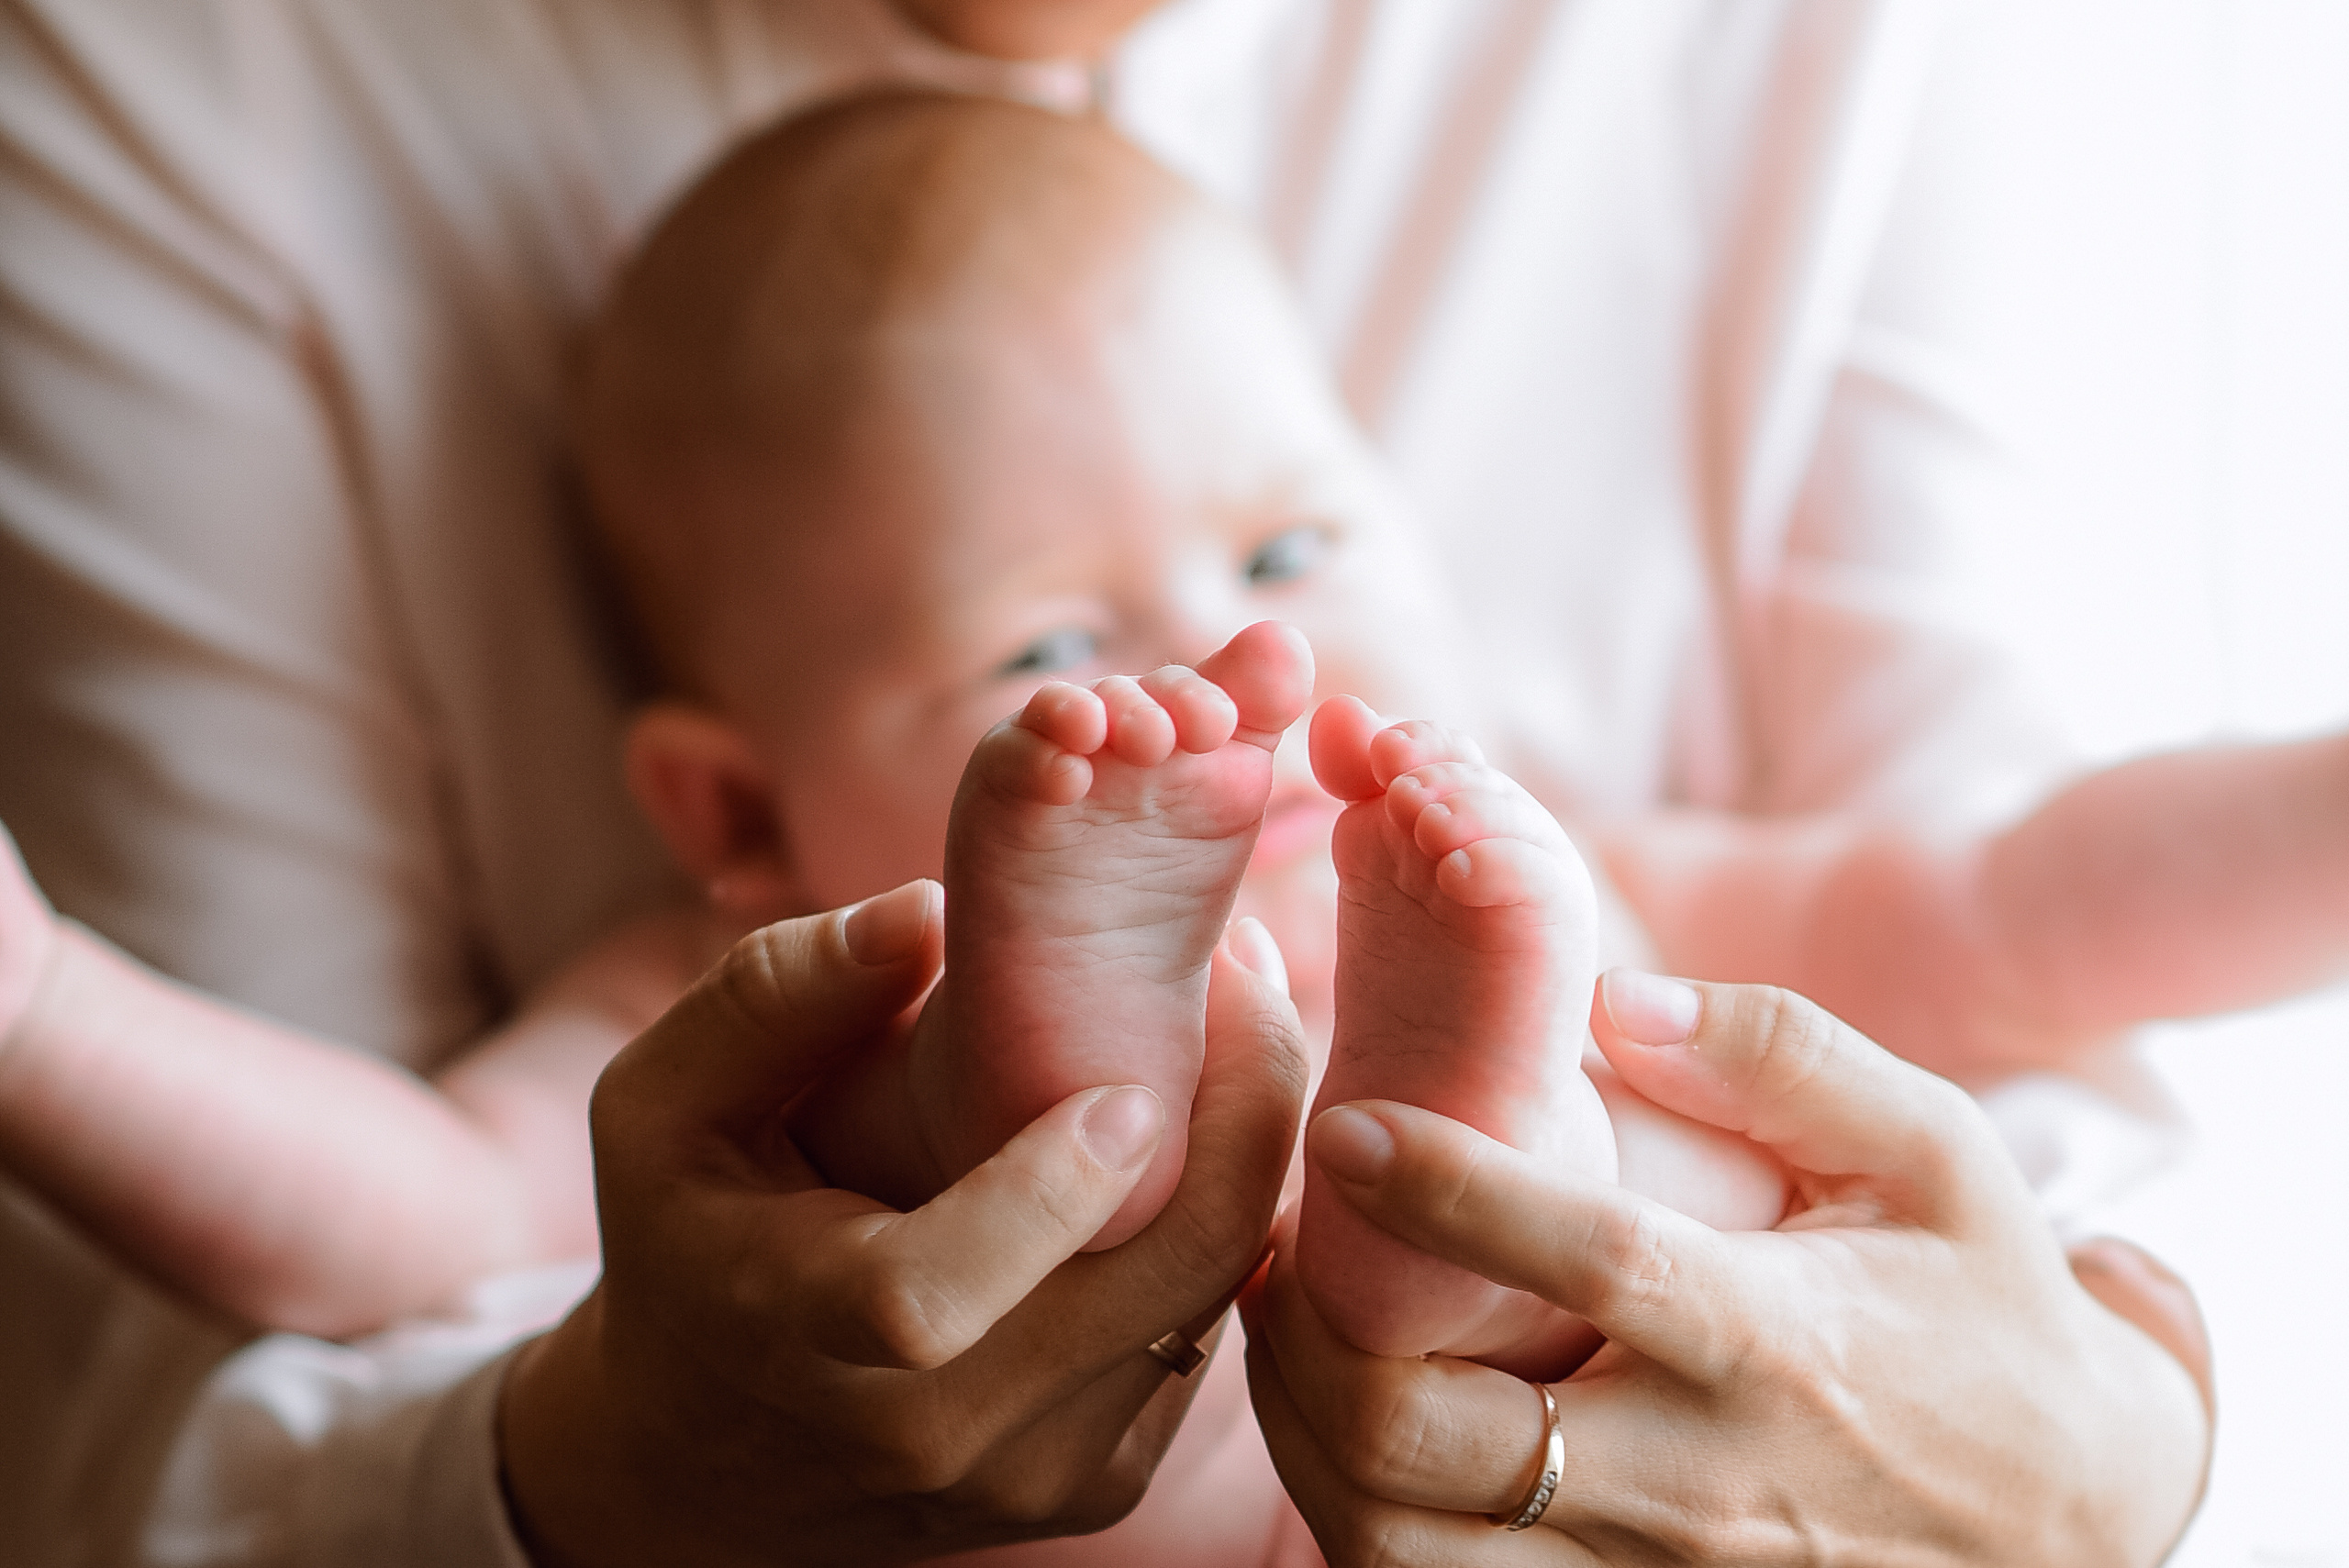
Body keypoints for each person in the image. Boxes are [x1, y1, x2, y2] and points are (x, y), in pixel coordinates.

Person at [0, 0, 2242, 1562]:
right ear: (730, 814)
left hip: (1602, 1441)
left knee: (1683, 1111)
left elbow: (2024, 909)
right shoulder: (718, 1003)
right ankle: (1066, 1091)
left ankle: (1460, 1169)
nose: (1228, 678)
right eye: (1044, 653)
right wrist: (48, 1013)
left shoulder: (1577, 849)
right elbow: (388, 1217)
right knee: (896, 1170)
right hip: (1050, 1468)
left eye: (1282, 556)